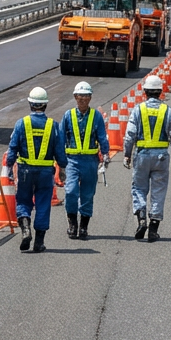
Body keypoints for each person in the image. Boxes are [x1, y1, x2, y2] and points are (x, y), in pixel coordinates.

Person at [5, 86, 67, 253]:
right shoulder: (53, 126)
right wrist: (62, 169)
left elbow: (12, 148)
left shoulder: (21, 123)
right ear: (45, 105)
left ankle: (25, 228)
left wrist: (9, 167)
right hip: (46, 173)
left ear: (30, 104)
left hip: (25, 171)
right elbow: (60, 151)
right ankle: (39, 242)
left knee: (24, 200)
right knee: (43, 204)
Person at [123, 74, 171, 243]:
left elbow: (130, 135)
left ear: (145, 92)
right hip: (162, 156)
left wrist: (127, 154)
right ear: (160, 92)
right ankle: (154, 229)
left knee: (139, 188)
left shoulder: (138, 110)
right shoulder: (168, 111)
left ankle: (141, 219)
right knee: (158, 191)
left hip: (142, 155)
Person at [59, 81, 109, 240]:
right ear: (75, 97)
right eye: (80, 96)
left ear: (90, 97)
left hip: (90, 161)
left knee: (87, 194)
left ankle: (83, 226)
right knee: (71, 191)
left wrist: (105, 154)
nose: (83, 99)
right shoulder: (68, 116)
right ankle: (72, 223)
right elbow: (61, 139)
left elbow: (102, 136)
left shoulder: (96, 116)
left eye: (86, 96)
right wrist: (60, 163)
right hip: (72, 160)